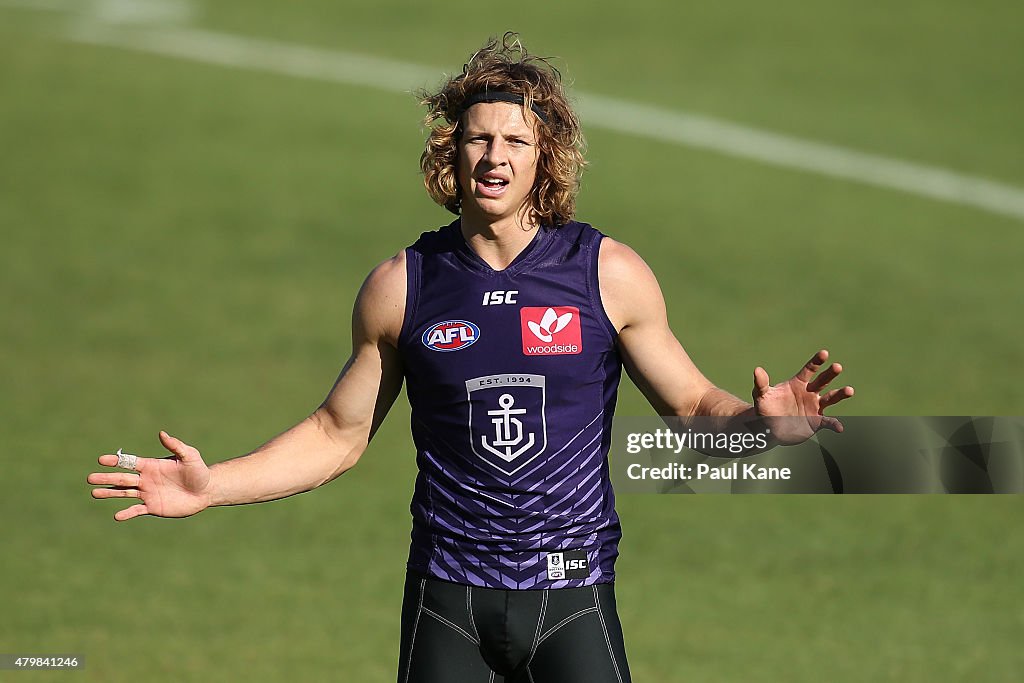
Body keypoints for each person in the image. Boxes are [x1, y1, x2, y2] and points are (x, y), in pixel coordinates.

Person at [88, 34, 854, 683]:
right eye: (479, 137)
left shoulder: (607, 273)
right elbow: (336, 433)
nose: (495, 157)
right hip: (446, 602)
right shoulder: (402, 286)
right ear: (451, 148)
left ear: (544, 157)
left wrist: (759, 423)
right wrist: (212, 484)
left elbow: (691, 407)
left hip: (573, 593)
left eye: (516, 141)